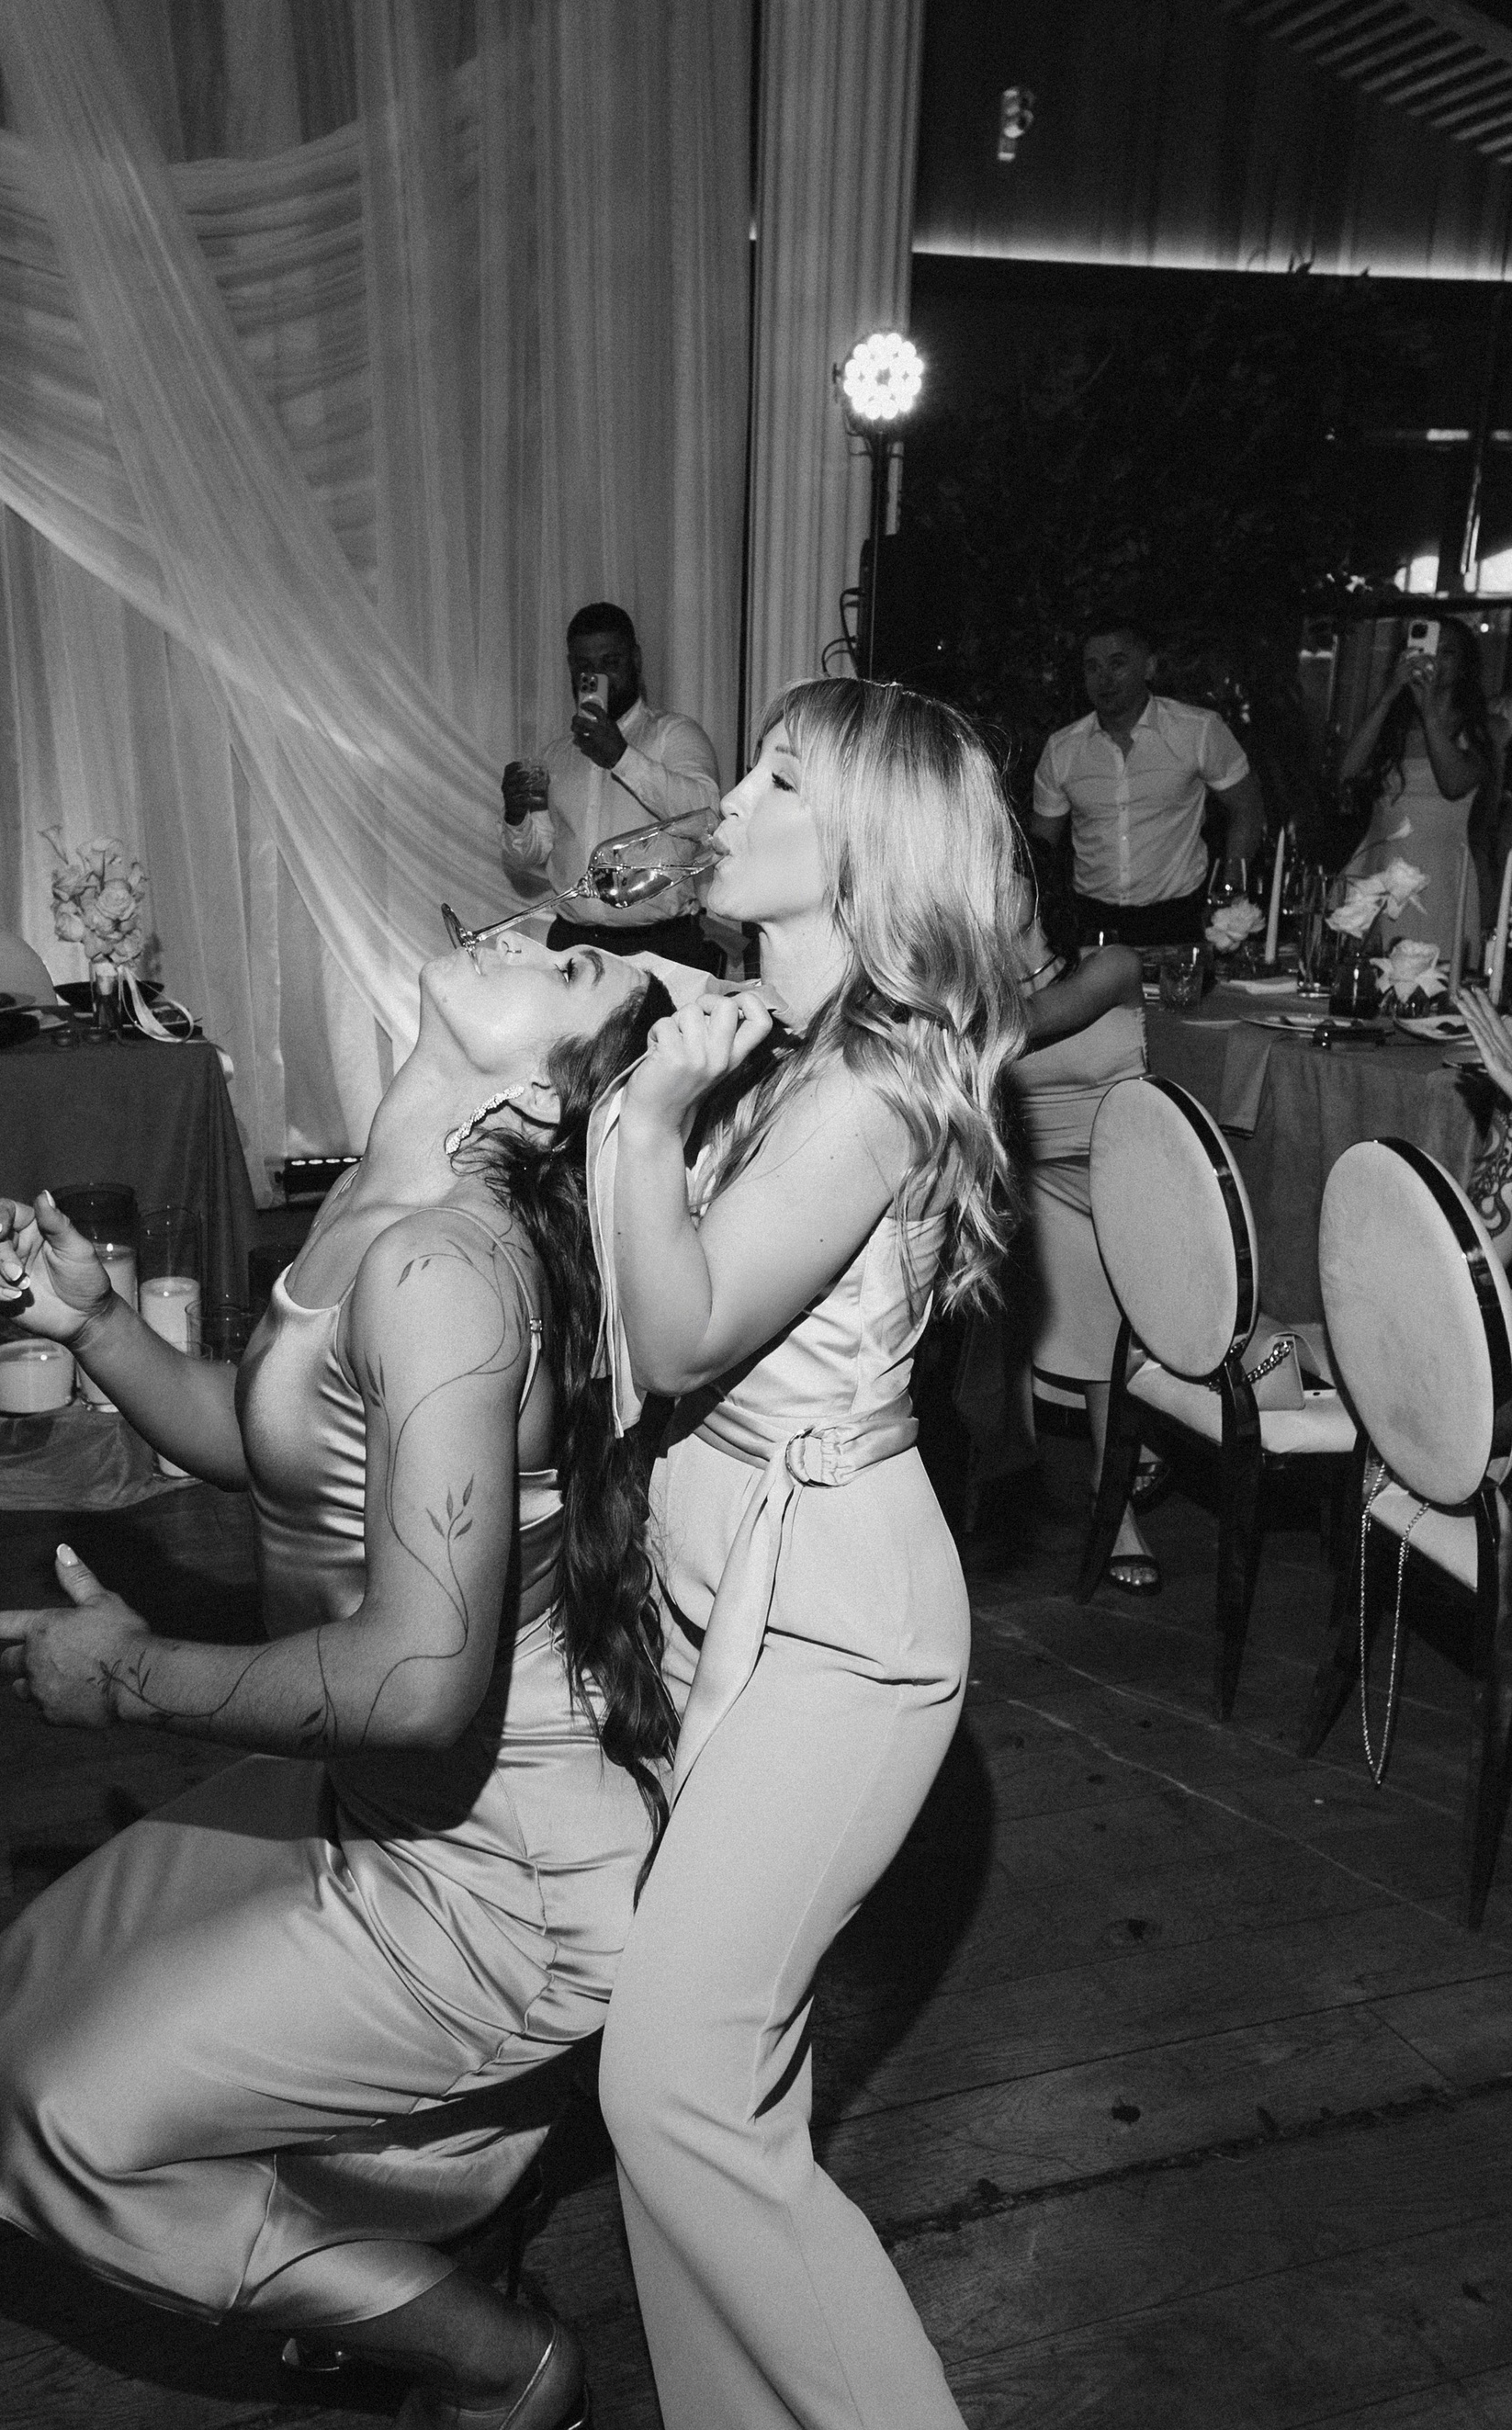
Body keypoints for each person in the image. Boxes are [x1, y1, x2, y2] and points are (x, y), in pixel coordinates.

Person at [0, 933, 677, 2430]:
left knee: (50, 2116)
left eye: (577, 968)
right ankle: (418, 2235)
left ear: (541, 1098)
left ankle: (507, 2366)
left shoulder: (443, 1270)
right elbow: (277, 1445)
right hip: (384, 1802)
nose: (537, 933)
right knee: (53, 1965)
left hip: (501, 1870)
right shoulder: (376, 1205)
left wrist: (130, 1676)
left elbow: (416, 1682)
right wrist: (95, 1323)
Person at [592, 679, 1027, 2430]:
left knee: (673, 2091)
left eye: (778, 778)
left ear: (859, 849)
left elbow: (683, 1331)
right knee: (715, 2110)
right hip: (738, 1597)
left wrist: (644, 1119)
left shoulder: (868, 1084)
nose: (731, 800)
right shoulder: (784, 1049)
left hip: (840, 1629)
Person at [1012, 912, 1158, 1590]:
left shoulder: (1111, 966)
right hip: (1037, 1175)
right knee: (1061, 1215)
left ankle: (1123, 1453)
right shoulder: (970, 984)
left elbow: (1040, 1016)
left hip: (1131, 1167)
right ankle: (1113, 1484)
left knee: (1093, 1213)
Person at [501, 601, 720, 973]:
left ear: (635, 660)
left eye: (610, 662)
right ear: (571, 668)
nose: (596, 676)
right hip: (573, 944)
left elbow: (708, 815)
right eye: (584, 666)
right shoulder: (556, 754)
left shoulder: (674, 734)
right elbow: (530, 856)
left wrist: (621, 756)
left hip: (660, 947)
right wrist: (515, 814)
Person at [1032, 616, 1263, 948]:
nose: (1104, 679)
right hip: (1092, 919)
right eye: (1093, 667)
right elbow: (1041, 848)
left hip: (1178, 916)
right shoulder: (1063, 749)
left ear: (1149, 667)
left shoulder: (1197, 730)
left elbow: (1247, 807)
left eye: (1117, 664)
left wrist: (1228, 894)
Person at [1337, 618, 1491, 965]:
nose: (1434, 659)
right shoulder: (1394, 726)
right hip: (1379, 868)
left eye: (1447, 653)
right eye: (1429, 648)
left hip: (1437, 875)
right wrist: (1390, 692)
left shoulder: (1479, 728)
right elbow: (1347, 772)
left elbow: (1453, 785)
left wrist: (1429, 711)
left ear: (1464, 666)